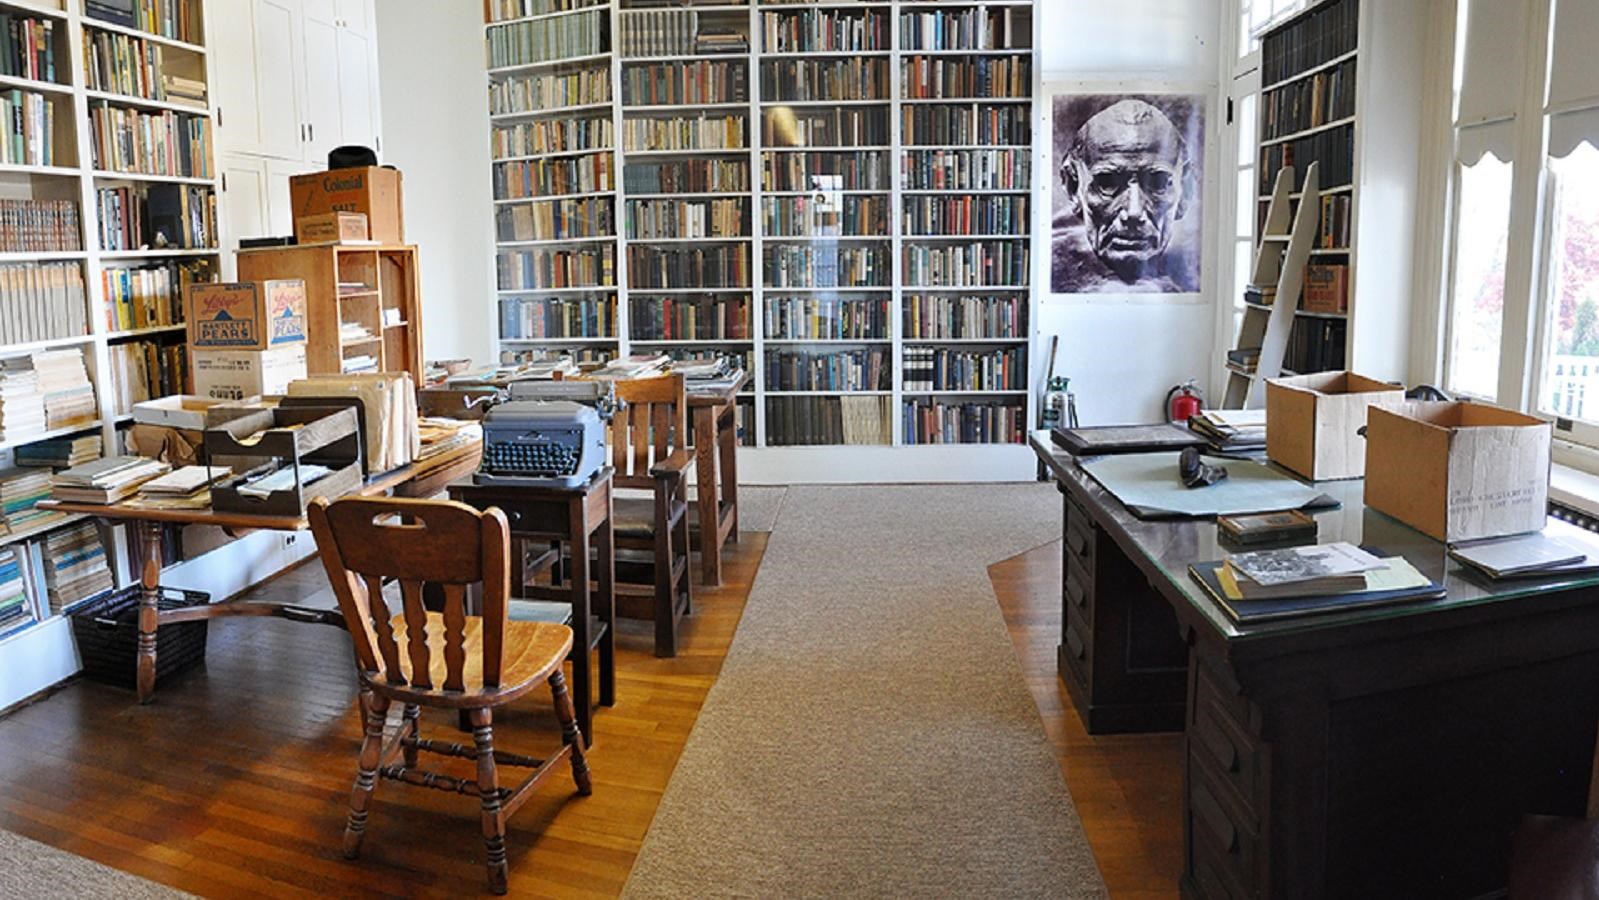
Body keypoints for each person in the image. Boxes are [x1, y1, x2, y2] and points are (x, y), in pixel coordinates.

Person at [1052, 99, 1198, 293]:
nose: (1133, 212)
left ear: (1185, 191)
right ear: (1073, 187)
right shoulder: (1049, 265)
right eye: (1107, 183)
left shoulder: (1202, 271)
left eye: (1158, 183)